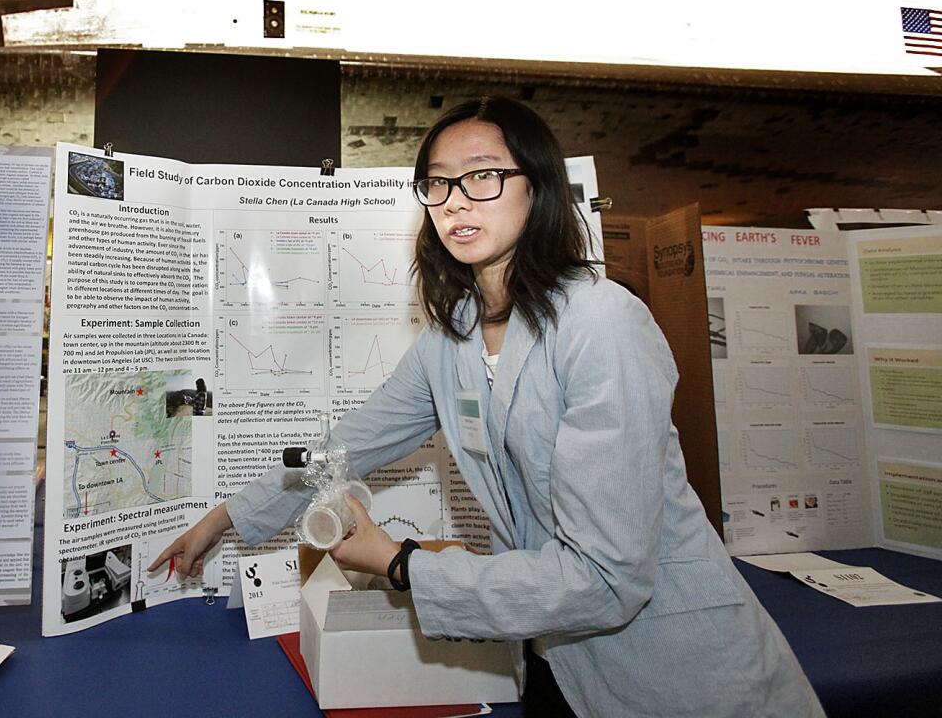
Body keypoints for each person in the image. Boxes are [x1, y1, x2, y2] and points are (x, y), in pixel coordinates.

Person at [149, 97, 823, 717]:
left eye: (482, 176)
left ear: (538, 186)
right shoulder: (455, 338)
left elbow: (607, 577)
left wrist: (400, 562)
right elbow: (346, 444)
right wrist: (228, 516)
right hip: (553, 657)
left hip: (676, 671)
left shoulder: (601, 324)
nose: (455, 201)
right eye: (437, 182)